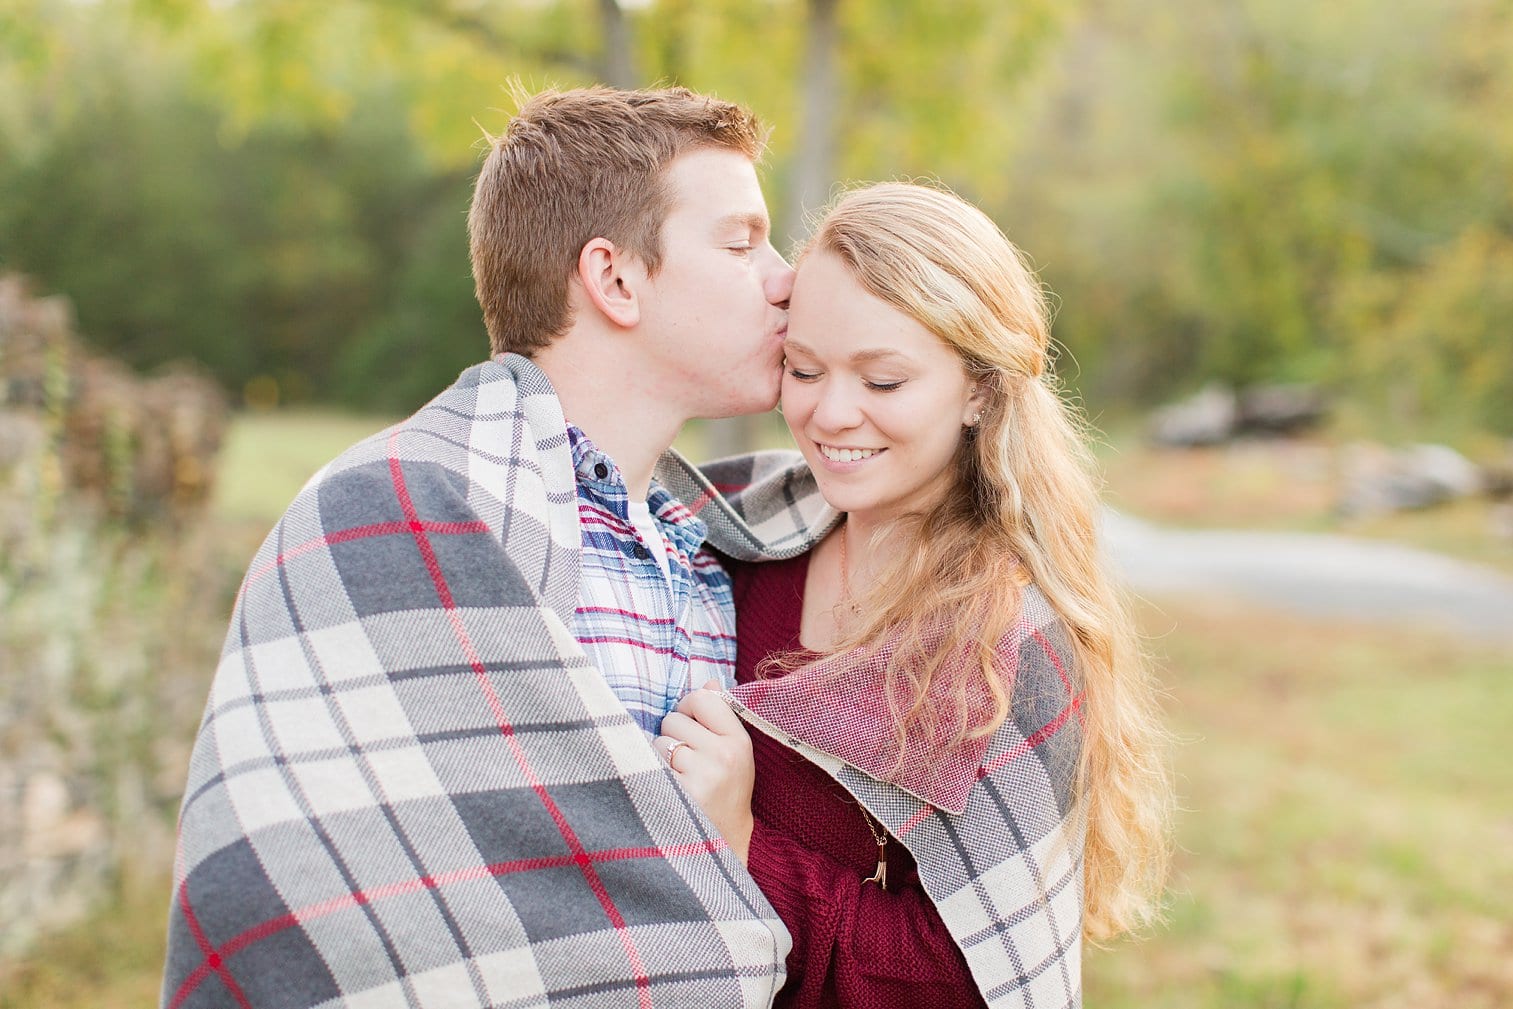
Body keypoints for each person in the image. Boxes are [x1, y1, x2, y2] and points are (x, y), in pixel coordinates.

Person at [160, 85, 833, 1009]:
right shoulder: (390, 512)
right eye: (741, 241)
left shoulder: (713, 549)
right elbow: (298, 890)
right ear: (616, 279)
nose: (785, 276)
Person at [656, 183, 1173, 1008]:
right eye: (804, 367)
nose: (830, 412)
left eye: (883, 381)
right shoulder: (728, 543)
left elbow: (966, 983)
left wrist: (744, 837)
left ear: (977, 390)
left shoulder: (1006, 642)